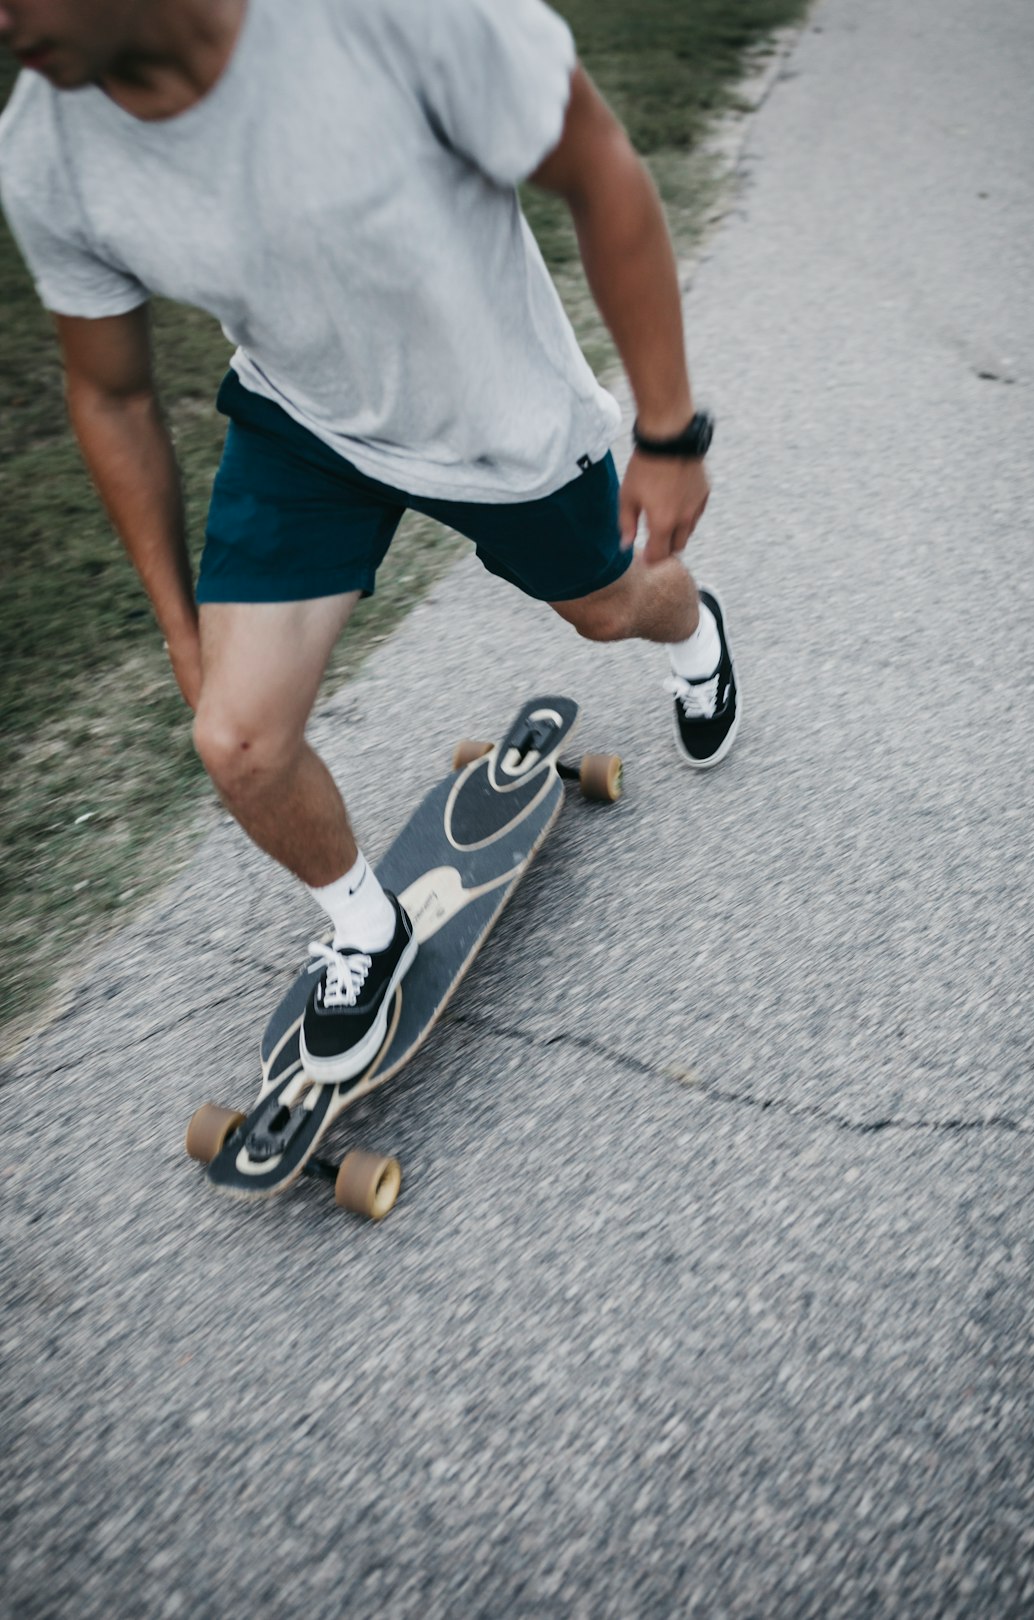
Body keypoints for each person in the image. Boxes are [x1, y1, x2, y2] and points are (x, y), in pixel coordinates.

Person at [0, 0, 741, 1082]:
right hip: (306, 427)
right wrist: (178, 624)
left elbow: (601, 169)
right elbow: (109, 393)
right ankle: (362, 928)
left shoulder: (388, 19)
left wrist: (670, 431)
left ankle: (695, 633)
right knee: (235, 739)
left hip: (499, 425)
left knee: (609, 609)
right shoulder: (45, 151)